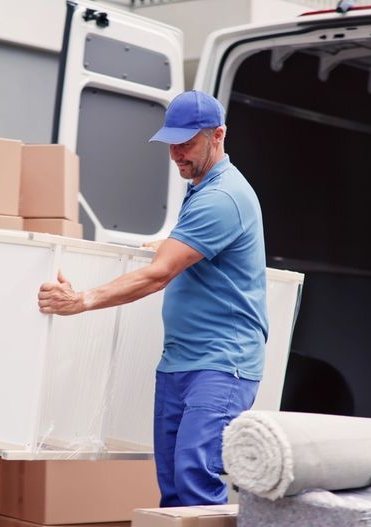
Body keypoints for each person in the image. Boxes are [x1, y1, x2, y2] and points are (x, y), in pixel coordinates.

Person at [38, 90, 267, 505]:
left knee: (196, 481)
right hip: (182, 361)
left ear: (218, 135)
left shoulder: (223, 196)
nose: (176, 153)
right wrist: (165, 244)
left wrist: (82, 300)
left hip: (220, 364)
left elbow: (159, 274)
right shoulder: (201, 188)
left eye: (187, 143)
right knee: (175, 488)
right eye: (171, 143)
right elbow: (181, 253)